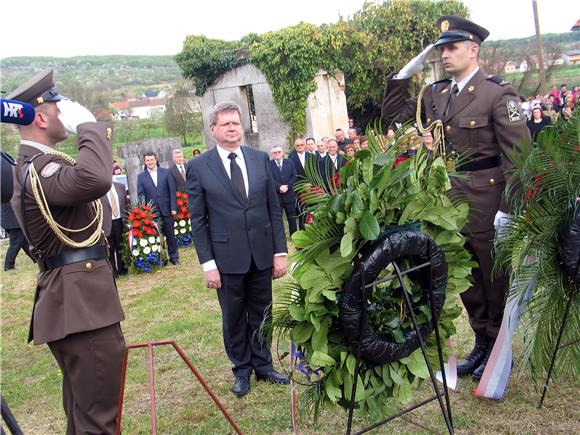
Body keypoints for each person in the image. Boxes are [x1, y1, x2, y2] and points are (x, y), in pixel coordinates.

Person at [381, 16, 531, 380]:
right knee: (466, 278)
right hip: (449, 202)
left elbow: (519, 156)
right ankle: (481, 340)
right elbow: (391, 118)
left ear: (473, 49)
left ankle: (498, 351)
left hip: (487, 198)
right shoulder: (437, 93)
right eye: (441, 48)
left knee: (494, 278)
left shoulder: (498, 93)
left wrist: (509, 209)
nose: (444, 54)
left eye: (451, 47)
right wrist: (402, 76)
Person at [8, 68, 126, 434]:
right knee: (97, 421)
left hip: (75, 301)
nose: (69, 113)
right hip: (81, 307)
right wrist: (90, 126)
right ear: (41, 117)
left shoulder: (39, 166)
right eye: (62, 107)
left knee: (83, 415)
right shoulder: (40, 169)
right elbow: (96, 178)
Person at [188, 101, 289, 398]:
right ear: (213, 130)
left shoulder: (260, 159)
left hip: (260, 253)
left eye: (236, 122)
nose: (233, 128)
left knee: (262, 311)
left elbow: (273, 208)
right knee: (233, 316)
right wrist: (208, 263)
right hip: (226, 258)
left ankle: (264, 365)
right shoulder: (199, 167)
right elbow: (198, 219)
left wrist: (279, 252)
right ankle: (242, 369)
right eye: (226, 124)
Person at [137, 152, 180, 265]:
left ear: (156, 160)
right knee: (157, 237)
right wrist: (145, 212)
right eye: (148, 160)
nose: (150, 162)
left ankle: (174, 257)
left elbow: (172, 190)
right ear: (145, 162)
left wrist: (173, 207)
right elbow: (140, 195)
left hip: (167, 209)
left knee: (170, 234)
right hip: (152, 213)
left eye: (152, 159)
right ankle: (162, 259)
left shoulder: (166, 172)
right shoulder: (141, 177)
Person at [102, 181, 128, 276]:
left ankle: (123, 270)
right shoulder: (100, 190)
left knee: (121, 246)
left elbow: (126, 204)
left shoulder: (120, 187)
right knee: (110, 249)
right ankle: (113, 272)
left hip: (120, 221)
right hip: (107, 223)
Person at [288, 137, 315, 230]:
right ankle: (303, 230)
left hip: (312, 188)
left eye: (301, 145)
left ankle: (315, 230)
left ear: (305, 146)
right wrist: (302, 185)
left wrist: (311, 184)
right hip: (299, 188)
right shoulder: (291, 159)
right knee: (302, 211)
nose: (299, 146)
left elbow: (316, 172)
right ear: (295, 147)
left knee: (314, 210)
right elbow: (292, 175)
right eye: (297, 145)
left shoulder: (312, 157)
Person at [270, 146, 298, 235]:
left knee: (292, 218)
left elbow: (294, 176)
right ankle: (280, 238)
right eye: (275, 153)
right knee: (278, 220)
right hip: (277, 197)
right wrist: (279, 187)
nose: (277, 154)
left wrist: (287, 186)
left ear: (282, 153)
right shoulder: (268, 165)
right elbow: (269, 179)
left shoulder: (289, 162)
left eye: (279, 152)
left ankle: (294, 236)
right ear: (272, 154)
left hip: (289, 195)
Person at [1, 200, 34, 271]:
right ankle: (8, 266)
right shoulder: (13, 191)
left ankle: (36, 259)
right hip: (13, 222)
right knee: (15, 244)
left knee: (24, 242)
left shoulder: (7, 191)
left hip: (9, 220)